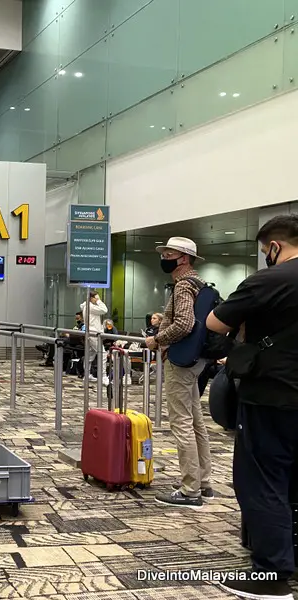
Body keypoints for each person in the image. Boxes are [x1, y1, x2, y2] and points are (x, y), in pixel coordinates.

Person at [206, 215, 298, 600]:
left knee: (262, 479)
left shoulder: (269, 280)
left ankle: (272, 574)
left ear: (274, 247)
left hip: (274, 396)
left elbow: (214, 323)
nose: (266, 258)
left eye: (265, 252)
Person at [145, 237, 213, 509]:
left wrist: (158, 339)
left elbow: (184, 323)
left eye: (170, 254)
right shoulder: (200, 284)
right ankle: (202, 481)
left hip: (181, 363)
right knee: (196, 422)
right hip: (196, 360)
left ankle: (189, 490)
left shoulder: (184, 286)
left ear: (183, 258)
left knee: (181, 423)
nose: (165, 258)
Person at [80, 291, 107, 381]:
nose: (97, 299)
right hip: (93, 333)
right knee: (103, 353)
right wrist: (99, 301)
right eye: (96, 297)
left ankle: (87, 374)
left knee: (90, 355)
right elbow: (104, 310)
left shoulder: (86, 306)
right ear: (92, 298)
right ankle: (103, 376)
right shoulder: (90, 307)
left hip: (90, 333)